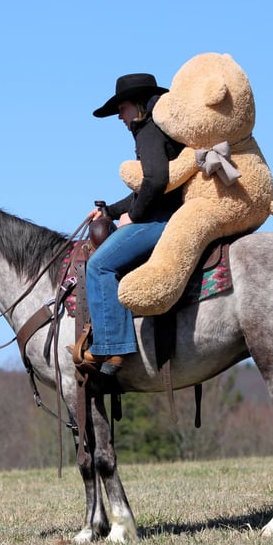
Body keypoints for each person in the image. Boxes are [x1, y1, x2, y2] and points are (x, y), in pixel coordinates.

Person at [74, 73, 185, 375]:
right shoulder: (161, 129)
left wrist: (133, 216)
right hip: (168, 214)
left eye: (122, 109)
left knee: (99, 266)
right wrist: (109, 212)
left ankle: (112, 347)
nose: (120, 117)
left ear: (138, 105)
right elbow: (145, 188)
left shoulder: (148, 130)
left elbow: (156, 181)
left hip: (161, 220)